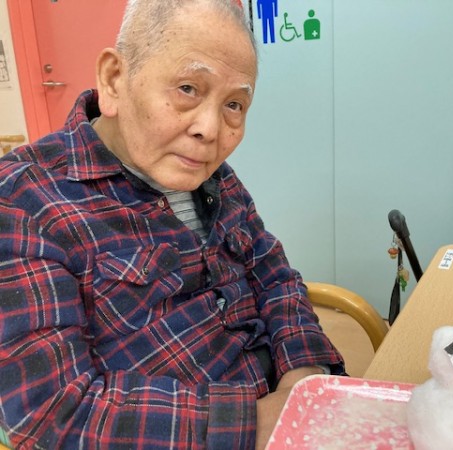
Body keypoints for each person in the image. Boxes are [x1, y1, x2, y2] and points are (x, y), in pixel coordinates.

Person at [0, 0, 345, 448]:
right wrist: (261, 422)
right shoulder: (25, 202)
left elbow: (275, 275)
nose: (210, 129)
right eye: (187, 88)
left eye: (234, 104)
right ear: (114, 79)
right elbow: (55, 413)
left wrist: (304, 374)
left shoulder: (213, 175)